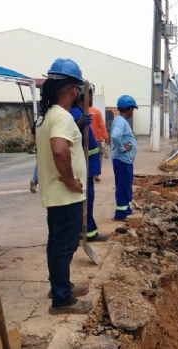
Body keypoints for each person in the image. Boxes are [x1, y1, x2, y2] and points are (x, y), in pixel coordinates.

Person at [35, 58, 92, 314]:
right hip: (65, 194)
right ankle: (62, 300)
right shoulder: (62, 118)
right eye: (78, 88)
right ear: (72, 90)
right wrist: (71, 181)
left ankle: (60, 285)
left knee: (56, 243)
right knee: (64, 246)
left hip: (56, 195)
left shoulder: (47, 115)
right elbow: (60, 152)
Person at [69, 84, 108, 242]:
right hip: (83, 166)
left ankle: (88, 231)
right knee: (84, 200)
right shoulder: (74, 113)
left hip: (89, 166)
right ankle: (85, 231)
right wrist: (78, 124)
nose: (92, 98)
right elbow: (69, 133)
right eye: (91, 95)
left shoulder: (82, 112)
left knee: (88, 199)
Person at [111, 95, 138, 222]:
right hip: (122, 160)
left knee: (126, 185)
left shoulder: (121, 121)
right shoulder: (121, 121)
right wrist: (122, 148)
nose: (132, 111)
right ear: (129, 109)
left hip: (125, 160)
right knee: (122, 185)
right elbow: (115, 136)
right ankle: (121, 213)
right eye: (132, 109)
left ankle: (126, 209)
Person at [88, 86, 109, 182]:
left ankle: (87, 173)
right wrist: (105, 137)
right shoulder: (97, 112)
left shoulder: (80, 111)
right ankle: (96, 173)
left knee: (86, 156)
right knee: (98, 155)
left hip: (84, 138)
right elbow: (101, 126)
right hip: (95, 138)